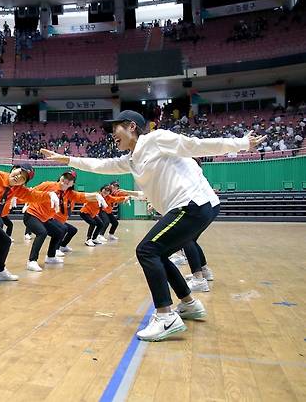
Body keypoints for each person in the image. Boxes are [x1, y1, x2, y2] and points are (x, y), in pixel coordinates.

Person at [41, 110, 265, 342]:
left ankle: (166, 316)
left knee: (147, 250)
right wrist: (67, 159)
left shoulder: (155, 140)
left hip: (191, 204)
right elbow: (102, 165)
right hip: (190, 207)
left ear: (131, 126)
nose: (111, 135)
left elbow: (195, 145)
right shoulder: (132, 158)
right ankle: (189, 303)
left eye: (115, 129)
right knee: (160, 254)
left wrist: (241, 143)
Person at [23, 171, 99, 271]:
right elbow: (31, 193)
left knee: (58, 232)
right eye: (65, 178)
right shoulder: (48, 185)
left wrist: (97, 196)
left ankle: (50, 256)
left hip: (45, 218)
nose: (66, 181)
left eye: (70, 180)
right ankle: (32, 261)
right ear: (61, 178)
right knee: (42, 233)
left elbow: (82, 196)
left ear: (72, 184)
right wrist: (26, 204)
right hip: (32, 215)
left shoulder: (68, 193)